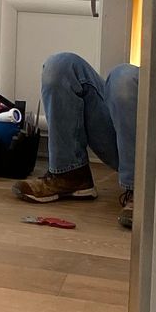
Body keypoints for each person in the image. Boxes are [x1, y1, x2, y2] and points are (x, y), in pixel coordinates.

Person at [14, 52, 141, 228]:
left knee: (123, 77)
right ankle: (69, 175)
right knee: (61, 66)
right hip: (127, 140)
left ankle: (142, 193)